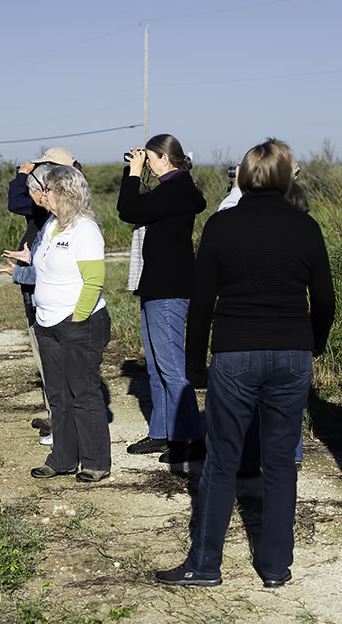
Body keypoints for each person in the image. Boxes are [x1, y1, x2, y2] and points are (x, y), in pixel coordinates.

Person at [156, 139, 335, 588]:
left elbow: (201, 303)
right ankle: (275, 566)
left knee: (221, 461)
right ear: (285, 176)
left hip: (235, 353)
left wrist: (195, 362)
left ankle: (205, 564)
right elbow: (326, 301)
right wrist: (313, 343)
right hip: (292, 354)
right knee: (279, 462)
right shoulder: (306, 227)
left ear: (242, 177)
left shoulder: (220, 226)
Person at [118, 134, 207, 464]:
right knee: (156, 366)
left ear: (166, 160)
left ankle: (189, 438)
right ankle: (162, 433)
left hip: (169, 289)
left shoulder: (177, 189)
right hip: (157, 285)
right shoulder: (172, 188)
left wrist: (132, 173)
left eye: (150, 159)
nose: (147, 164)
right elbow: (140, 206)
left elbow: (128, 209)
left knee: (170, 368)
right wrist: (137, 171)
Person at [218, 171, 308, 470]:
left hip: (248, 333)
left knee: (250, 400)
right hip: (291, 334)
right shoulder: (301, 230)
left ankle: (248, 459)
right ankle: (286, 456)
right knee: (284, 405)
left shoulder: (240, 222)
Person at [28, 165, 112, 483]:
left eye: (47, 189)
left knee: (83, 392)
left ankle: (95, 462)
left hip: (79, 323)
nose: (43, 194)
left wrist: (78, 317)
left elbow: (94, 281)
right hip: (47, 323)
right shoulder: (51, 225)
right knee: (58, 394)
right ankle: (62, 458)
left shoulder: (84, 229)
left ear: (64, 192)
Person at [7, 148, 82, 444]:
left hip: (44, 285)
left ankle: (61, 419)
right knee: (46, 353)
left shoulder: (58, 205)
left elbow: (15, 202)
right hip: (35, 276)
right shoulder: (69, 203)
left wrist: (22, 174)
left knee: (50, 352)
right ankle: (56, 413)